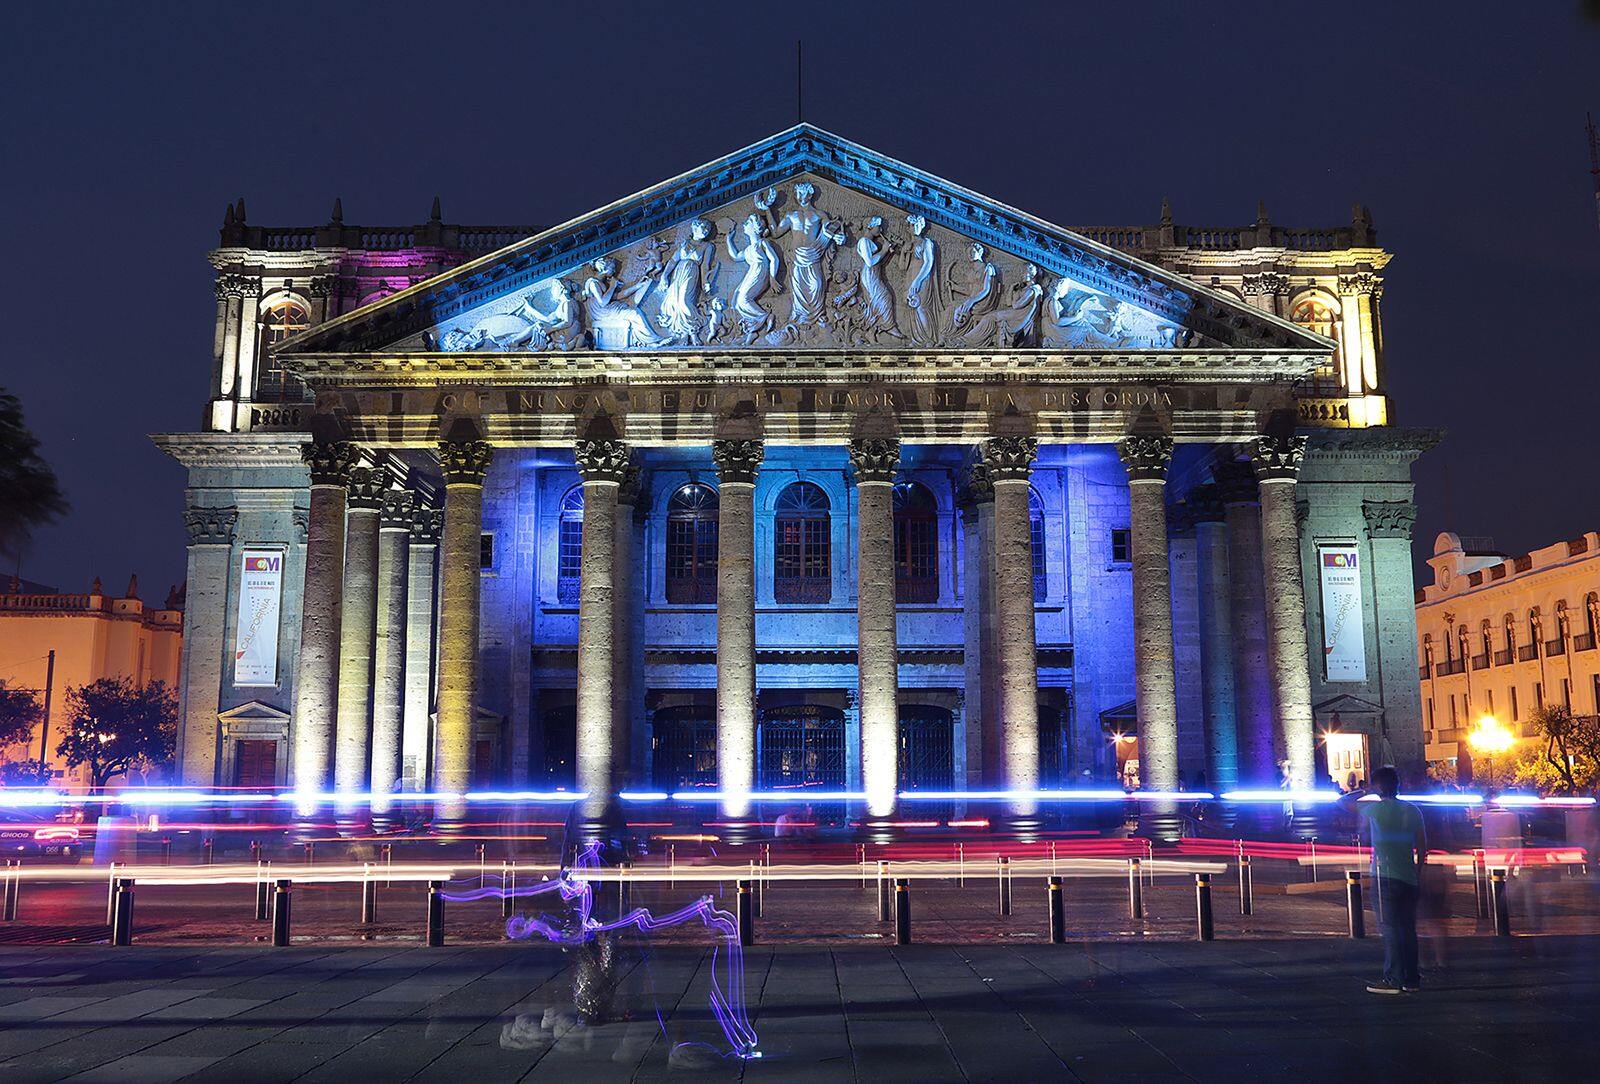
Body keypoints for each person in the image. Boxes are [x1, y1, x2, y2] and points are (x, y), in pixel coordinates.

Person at [1337, 765, 1427, 994]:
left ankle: (1393, 978)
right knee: (1408, 929)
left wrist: (1364, 789)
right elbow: (1423, 846)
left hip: (1384, 875)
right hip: (1408, 876)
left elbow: (1341, 803)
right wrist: (1417, 872)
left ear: (1377, 786)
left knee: (1390, 929)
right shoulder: (1413, 810)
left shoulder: (1375, 809)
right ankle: (1411, 979)